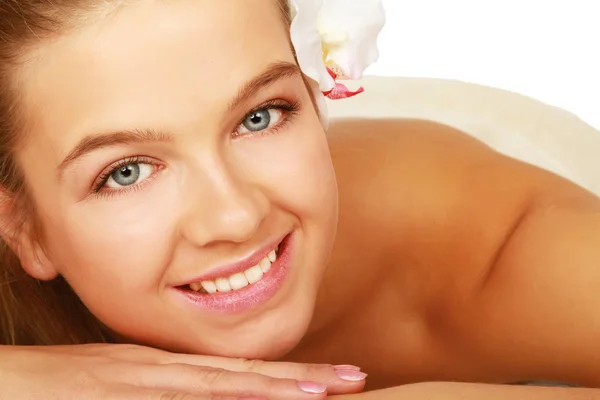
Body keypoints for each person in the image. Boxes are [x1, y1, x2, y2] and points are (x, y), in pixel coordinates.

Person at [0, 0, 599, 398]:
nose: (236, 216)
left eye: (260, 116)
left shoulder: (467, 234)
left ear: (314, 96)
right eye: (127, 172)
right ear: (20, 226)